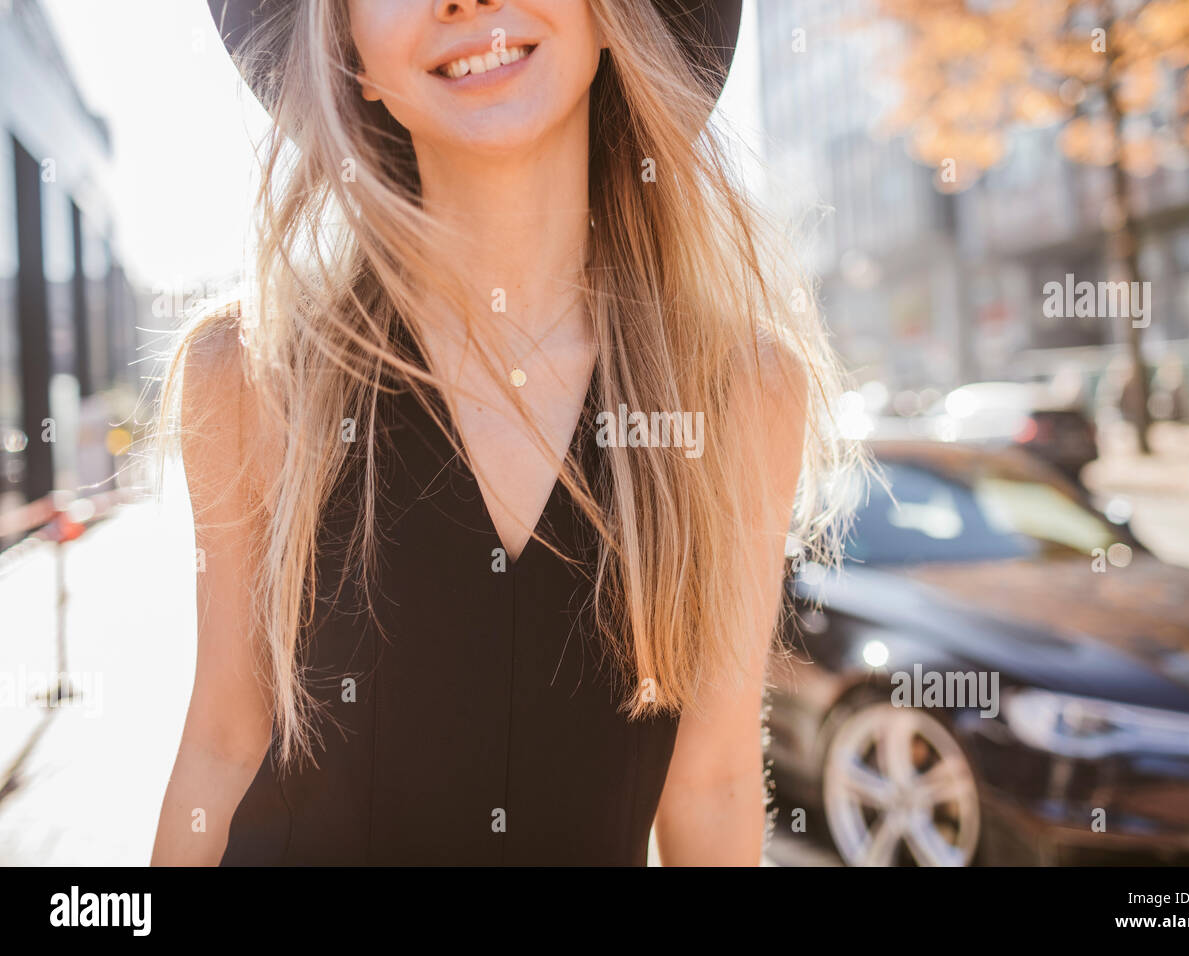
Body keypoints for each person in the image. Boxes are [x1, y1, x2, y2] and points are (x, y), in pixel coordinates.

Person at [151, 0, 857, 865]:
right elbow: (223, 743)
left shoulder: (740, 393)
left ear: (613, 20)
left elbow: (709, 785)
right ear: (350, 55)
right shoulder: (251, 375)